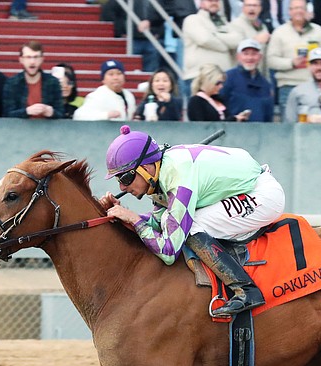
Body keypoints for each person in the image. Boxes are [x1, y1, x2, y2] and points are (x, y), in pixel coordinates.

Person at [99, 125, 286, 316]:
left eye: (126, 177)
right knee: (184, 222)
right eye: (118, 180)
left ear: (146, 168)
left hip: (262, 195)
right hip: (244, 188)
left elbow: (169, 249)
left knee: (192, 226)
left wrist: (133, 219)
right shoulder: (161, 174)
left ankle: (246, 290)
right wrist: (126, 215)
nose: (122, 185)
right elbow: (159, 224)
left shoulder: (178, 177)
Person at [267, 0, 321, 115]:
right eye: (295, 8)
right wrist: (291, 63)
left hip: (313, 86)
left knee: (313, 128)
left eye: (301, 8)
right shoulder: (279, 32)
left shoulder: (318, 31)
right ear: (289, 11)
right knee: (287, 129)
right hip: (288, 87)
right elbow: (271, 60)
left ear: (307, 11)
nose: (298, 11)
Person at [182, 0, 239, 89]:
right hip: (199, 77)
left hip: (224, 78)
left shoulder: (225, 23)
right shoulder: (192, 19)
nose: (214, 2)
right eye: (210, 0)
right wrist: (225, 47)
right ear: (201, 3)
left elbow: (237, 40)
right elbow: (204, 39)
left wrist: (214, 34)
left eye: (216, 0)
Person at [2, 41, 64, 119]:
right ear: (21, 60)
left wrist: (51, 112)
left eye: (36, 57)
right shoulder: (12, 84)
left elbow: (62, 114)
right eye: (28, 57)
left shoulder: (53, 82)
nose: (32, 62)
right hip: (19, 130)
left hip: (47, 130)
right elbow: (6, 115)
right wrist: (27, 111)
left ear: (42, 59)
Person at [219, 39, 275, 122]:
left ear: (260, 57)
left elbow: (268, 114)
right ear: (238, 57)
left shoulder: (265, 84)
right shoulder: (227, 78)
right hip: (233, 130)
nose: (250, 58)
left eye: (254, 54)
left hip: (259, 131)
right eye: (245, 54)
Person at [102, 0, 164, 72]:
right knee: (130, 69)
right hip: (131, 40)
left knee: (151, 71)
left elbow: (162, 14)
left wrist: (159, 33)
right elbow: (109, 12)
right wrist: (120, 32)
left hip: (152, 39)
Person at [228, 0, 273, 73]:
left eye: (255, 6)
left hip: (259, 73)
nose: (251, 8)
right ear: (243, 8)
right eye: (248, 5)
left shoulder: (262, 26)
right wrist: (255, 40)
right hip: (241, 73)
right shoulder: (235, 25)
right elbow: (234, 45)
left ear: (260, 8)